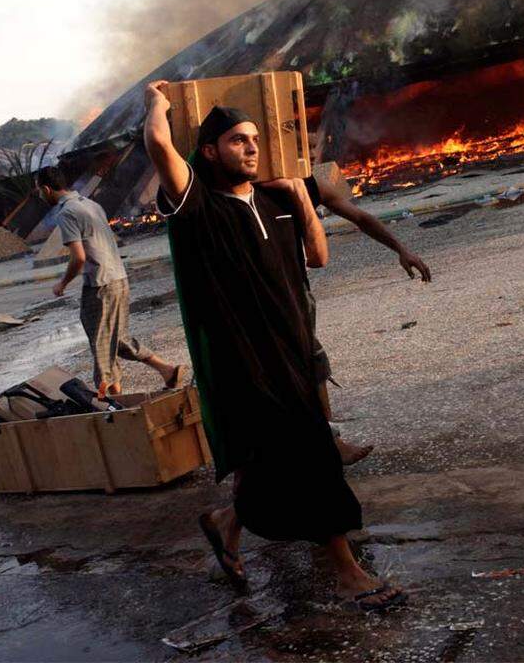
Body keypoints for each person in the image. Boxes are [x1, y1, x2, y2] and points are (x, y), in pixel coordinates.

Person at [144, 81, 407, 611]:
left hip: (291, 349)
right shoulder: (198, 203)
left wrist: (297, 198)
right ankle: (346, 571)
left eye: (256, 140)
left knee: (268, 459)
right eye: (238, 140)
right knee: (310, 456)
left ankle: (225, 521)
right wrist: (157, 103)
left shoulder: (275, 199)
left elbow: (318, 258)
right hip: (243, 359)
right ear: (212, 150)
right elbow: (158, 144)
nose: (251, 148)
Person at [301, 174, 432, 465]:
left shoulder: (304, 186)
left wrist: (401, 249)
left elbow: (360, 217)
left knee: (314, 364)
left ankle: (329, 441)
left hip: (295, 290)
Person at [35, 166, 187, 396]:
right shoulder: (91, 204)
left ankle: (111, 404)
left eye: (38, 191)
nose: (39, 195)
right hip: (117, 278)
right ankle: (167, 370)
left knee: (101, 346)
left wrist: (62, 283)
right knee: (116, 340)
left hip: (101, 285)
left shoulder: (66, 212)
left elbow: (78, 257)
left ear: (46, 189)